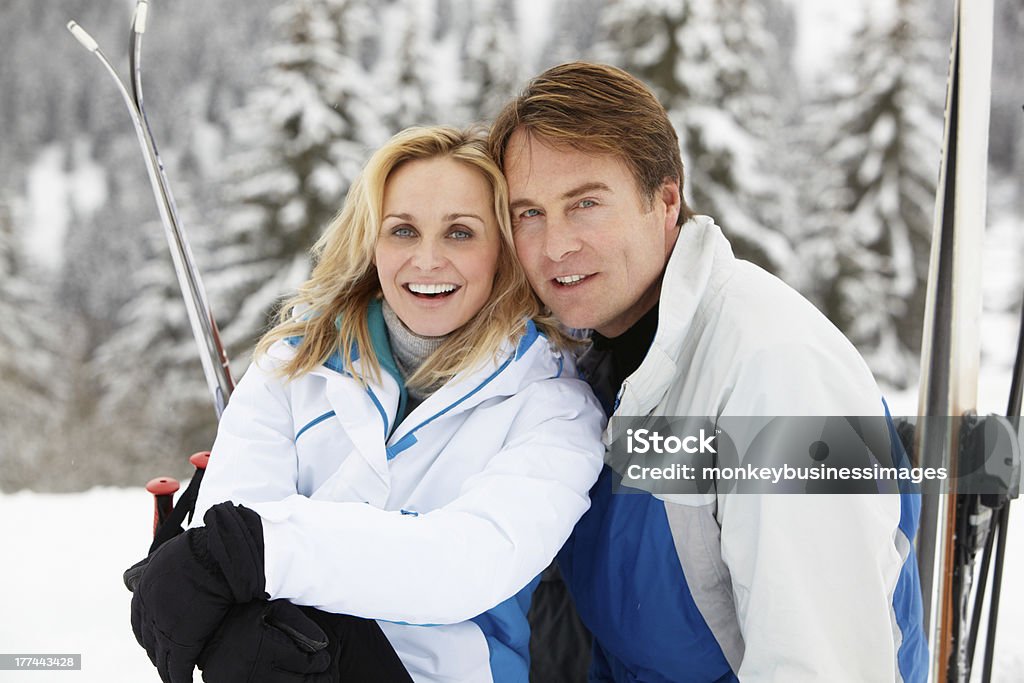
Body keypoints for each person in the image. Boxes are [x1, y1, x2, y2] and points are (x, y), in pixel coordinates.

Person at [488, 62, 928, 682]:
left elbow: (819, 664)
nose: (555, 245)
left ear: (665, 200)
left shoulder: (777, 375)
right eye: (528, 213)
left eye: (584, 203)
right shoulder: (585, 365)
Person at [125, 126, 606, 683]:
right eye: (403, 230)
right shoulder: (294, 365)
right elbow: (229, 533)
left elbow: (471, 562)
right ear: (372, 241)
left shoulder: (553, 404)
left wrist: (264, 553)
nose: (427, 260)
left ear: (501, 249)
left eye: (459, 233)